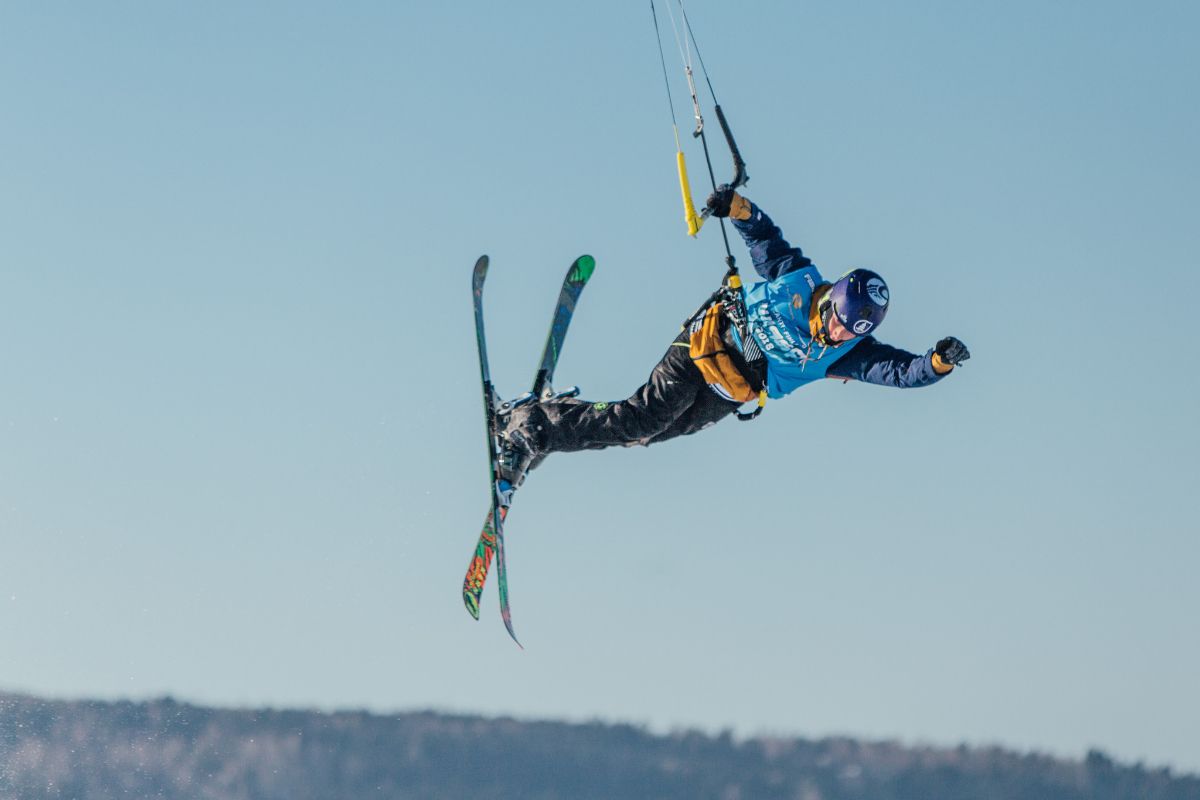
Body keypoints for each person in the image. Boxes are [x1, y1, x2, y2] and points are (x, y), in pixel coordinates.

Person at [495, 186, 970, 496]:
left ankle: (550, 430)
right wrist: (736, 204)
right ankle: (530, 426)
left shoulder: (846, 354)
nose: (839, 334)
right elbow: (764, 235)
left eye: (853, 332)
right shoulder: (796, 279)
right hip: (704, 350)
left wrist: (937, 362)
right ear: (831, 297)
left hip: (729, 394)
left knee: (644, 435)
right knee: (638, 418)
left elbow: (903, 373)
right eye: (839, 322)